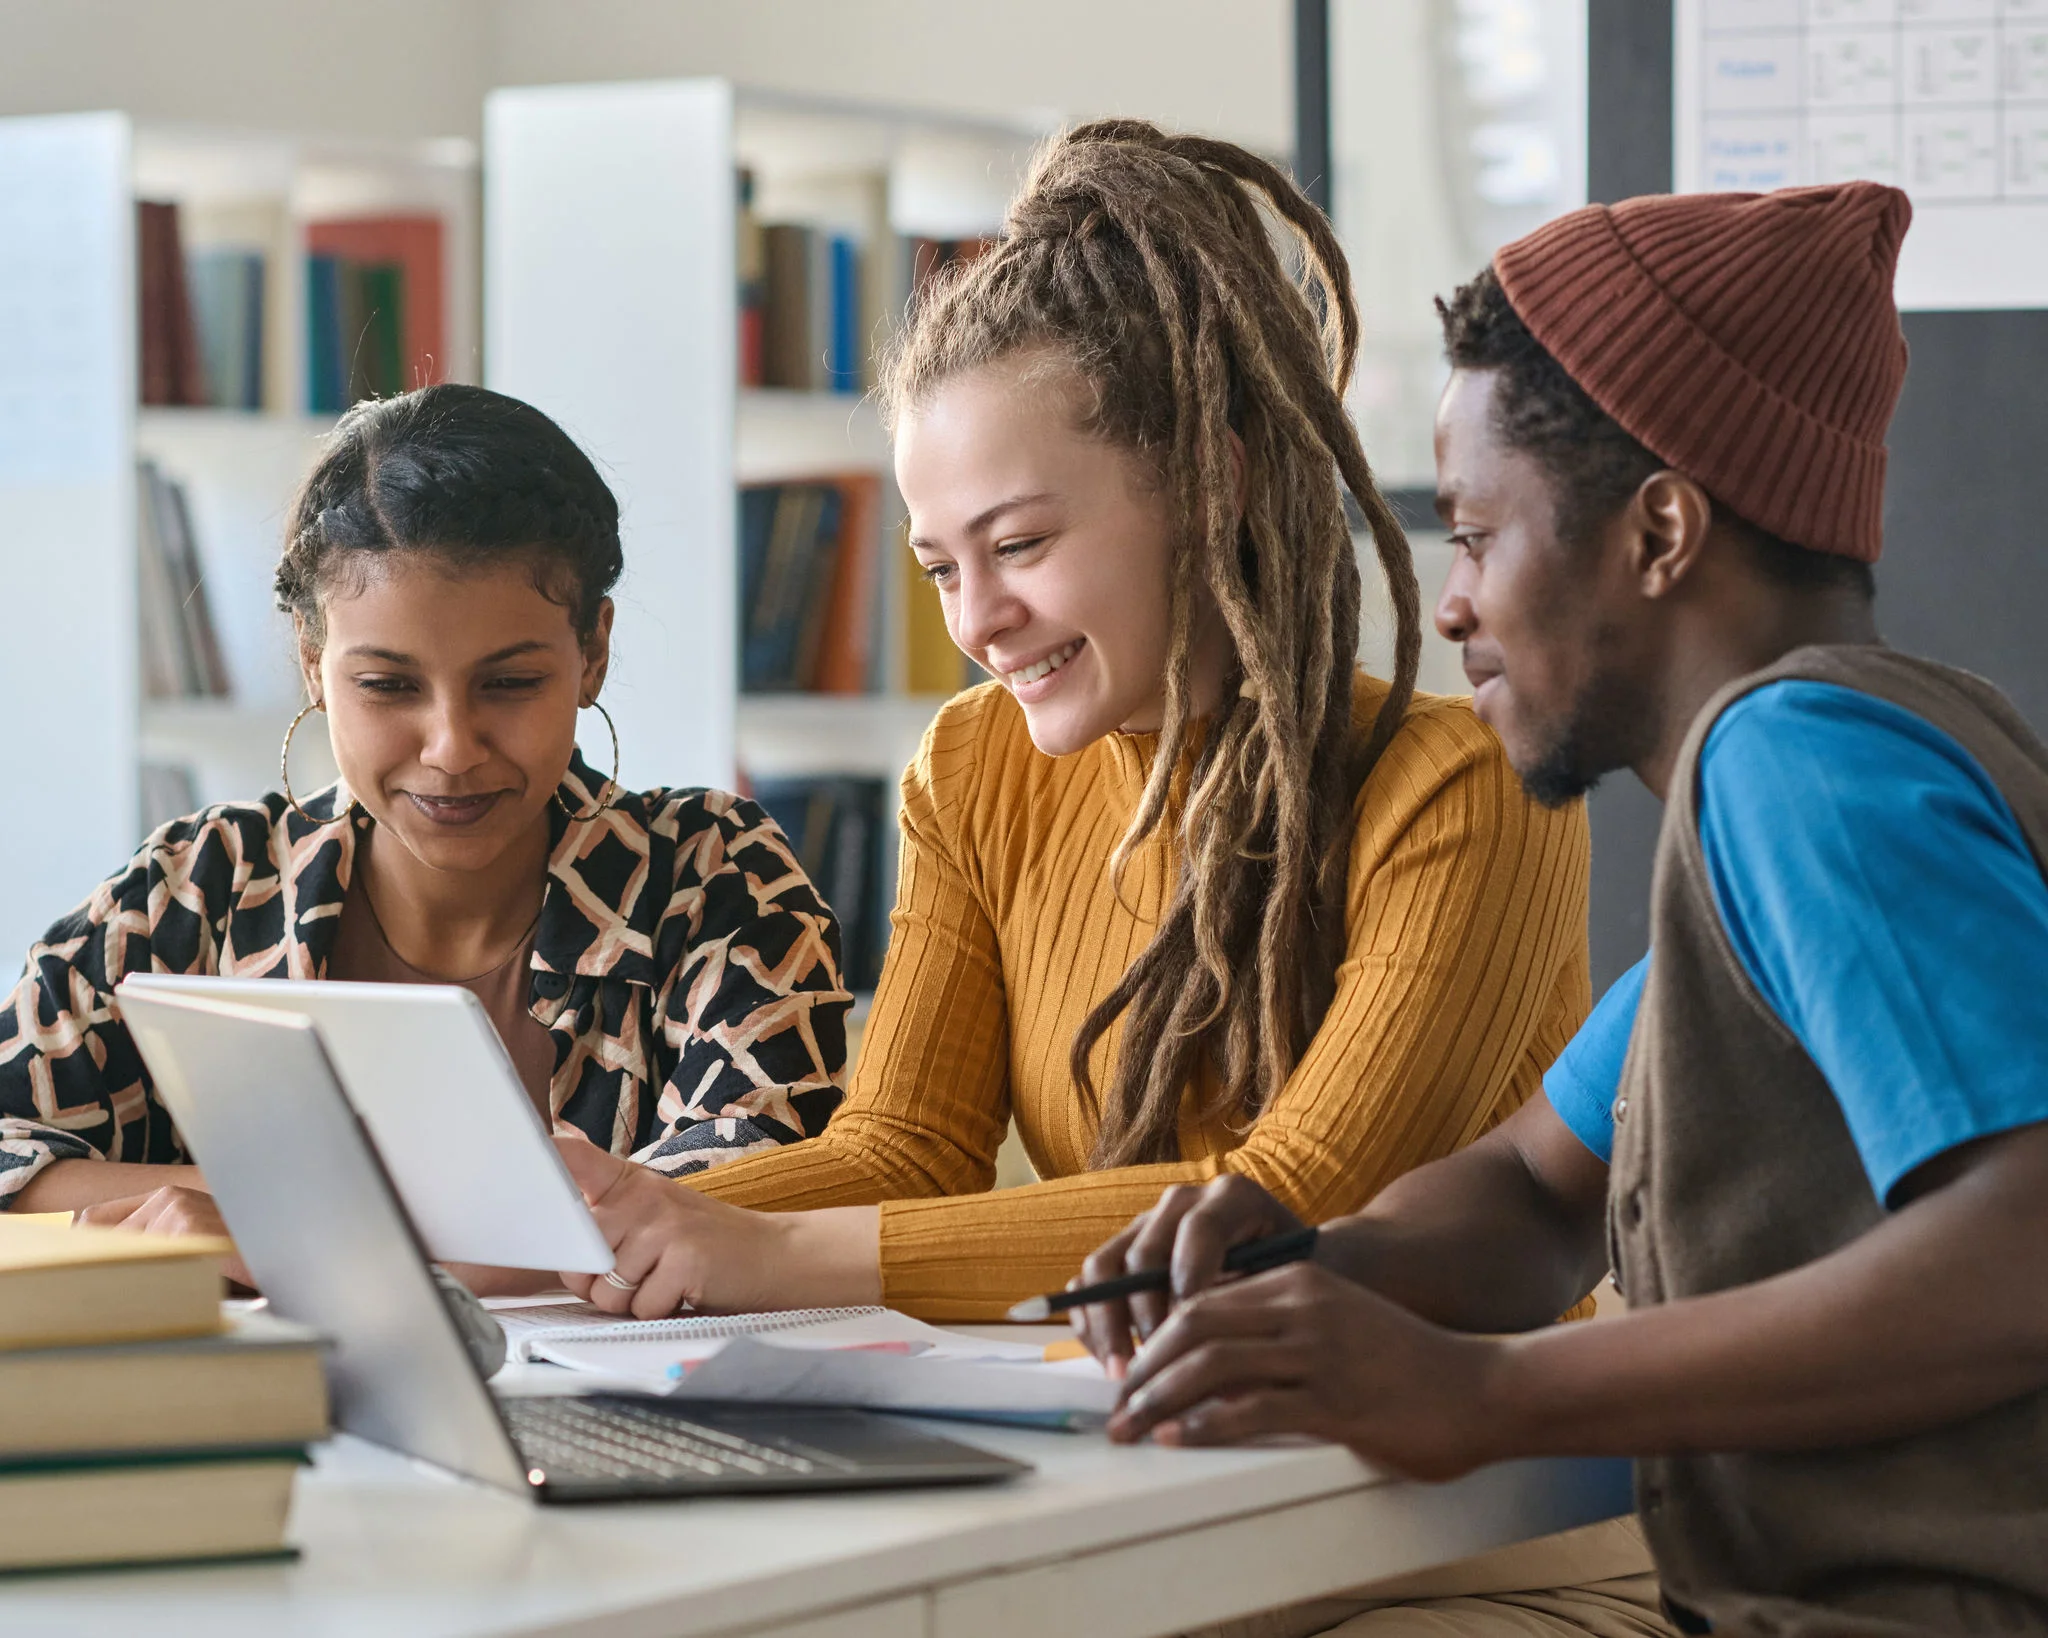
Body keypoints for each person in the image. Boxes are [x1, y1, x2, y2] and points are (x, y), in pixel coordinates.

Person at [1076, 181, 2048, 1636]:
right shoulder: (1859, 772)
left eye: (1472, 536)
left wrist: (1488, 1393)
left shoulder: (1796, 763)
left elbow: (2027, 1237)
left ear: (1659, 531)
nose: (1451, 604)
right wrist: (1296, 1264)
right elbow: (1538, 1189)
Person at [546, 121, 1593, 1337]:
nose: (978, 622)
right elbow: (905, 1148)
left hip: (1437, 1504)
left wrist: (767, 1250)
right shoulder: (972, 765)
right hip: (1148, 1451)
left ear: (1211, 481)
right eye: (940, 567)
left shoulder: (1458, 789)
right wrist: (617, 1219)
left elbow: (1296, 1207)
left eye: (1021, 545)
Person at [0, 385, 851, 1290]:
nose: (450, 748)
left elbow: (744, 1204)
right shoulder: (202, 886)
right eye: (388, 686)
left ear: (592, 651)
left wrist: (277, 1222)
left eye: (511, 683)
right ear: (310, 659)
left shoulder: (718, 882)